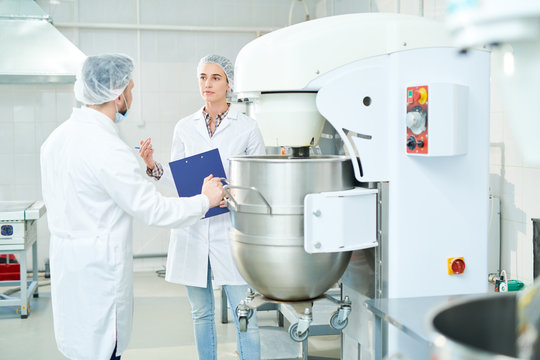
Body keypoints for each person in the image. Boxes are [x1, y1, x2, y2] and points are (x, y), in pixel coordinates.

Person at [40, 53, 225, 360]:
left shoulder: (57, 139)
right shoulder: (107, 148)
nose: (132, 95)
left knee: (79, 347)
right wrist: (206, 199)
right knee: (102, 349)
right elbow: (154, 210)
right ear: (117, 94)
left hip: (68, 267)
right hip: (99, 273)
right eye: (131, 88)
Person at [138, 54, 265, 360]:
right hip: (194, 227)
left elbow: (258, 180)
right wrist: (153, 165)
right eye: (203, 77)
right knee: (201, 314)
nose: (207, 84)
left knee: (243, 312)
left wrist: (230, 194)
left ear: (229, 84)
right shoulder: (185, 126)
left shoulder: (247, 127)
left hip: (230, 229)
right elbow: (180, 178)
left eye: (215, 78)